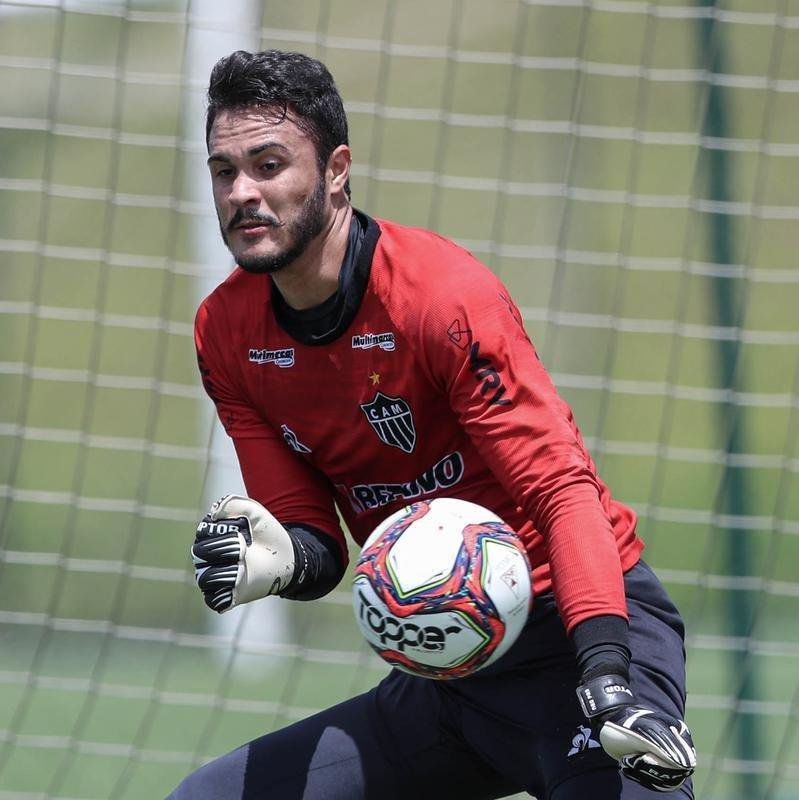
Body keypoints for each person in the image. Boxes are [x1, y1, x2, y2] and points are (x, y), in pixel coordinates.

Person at [169, 49, 696, 800]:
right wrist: (279, 560)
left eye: (268, 164)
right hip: (449, 674)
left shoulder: (441, 300)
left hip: (579, 637)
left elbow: (561, 490)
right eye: (225, 171)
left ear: (336, 169)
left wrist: (609, 673)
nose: (242, 192)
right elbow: (316, 542)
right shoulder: (226, 332)